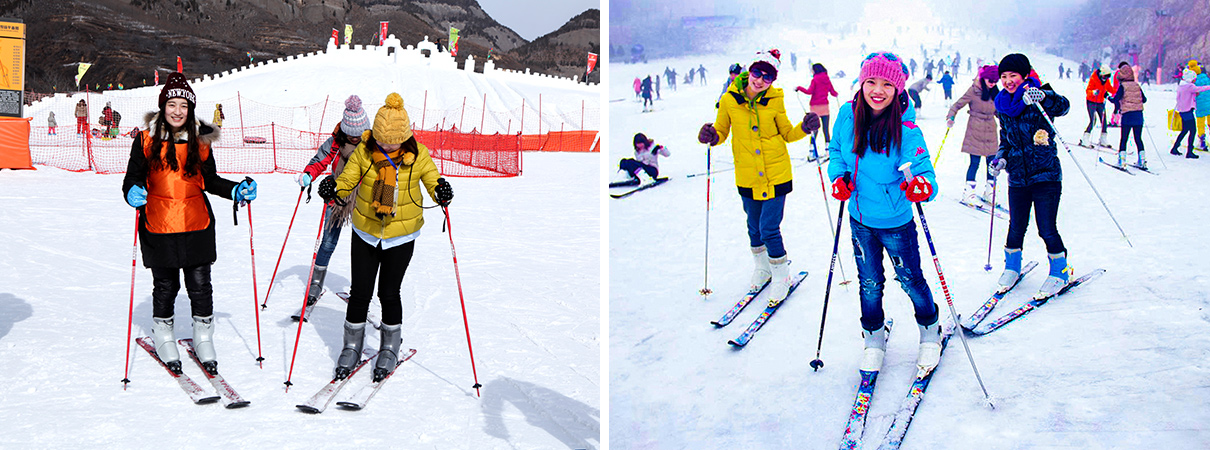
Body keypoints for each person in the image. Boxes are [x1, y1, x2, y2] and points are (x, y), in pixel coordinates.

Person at [121, 72, 258, 375]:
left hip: (197, 223)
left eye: (184, 105)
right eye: (172, 104)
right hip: (159, 223)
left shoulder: (200, 141)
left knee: (200, 286)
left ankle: (204, 336)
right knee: (165, 286)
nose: (178, 111)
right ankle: (164, 334)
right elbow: (131, 177)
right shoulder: (145, 140)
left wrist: (235, 190)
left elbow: (209, 180)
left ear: (191, 109)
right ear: (163, 106)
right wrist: (132, 191)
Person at [321, 92, 453, 381]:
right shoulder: (364, 152)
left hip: (401, 236)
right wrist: (334, 188)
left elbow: (432, 179)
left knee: (389, 293)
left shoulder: (419, 155)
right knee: (360, 292)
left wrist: (440, 190)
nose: (387, 145)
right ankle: (352, 345)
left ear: (404, 137)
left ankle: (390, 347)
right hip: (366, 232)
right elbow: (348, 179)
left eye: (393, 141)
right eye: (382, 140)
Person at [826, 51, 943, 370]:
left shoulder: (907, 130)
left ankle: (931, 330)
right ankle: (873, 336)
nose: (878, 90)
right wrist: (838, 176)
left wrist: (921, 185)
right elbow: (835, 150)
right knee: (869, 282)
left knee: (909, 279)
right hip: (860, 219)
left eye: (887, 84)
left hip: (896, 223)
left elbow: (924, 171)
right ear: (862, 83)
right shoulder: (846, 116)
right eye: (871, 81)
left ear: (898, 90)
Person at [697, 49, 820, 306]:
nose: (760, 80)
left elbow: (787, 133)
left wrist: (804, 128)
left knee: (769, 228)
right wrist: (711, 136)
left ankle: (780, 275)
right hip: (747, 174)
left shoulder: (775, 99)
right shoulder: (729, 99)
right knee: (753, 227)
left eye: (767, 76)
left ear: (772, 80)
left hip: (776, 173)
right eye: (757, 73)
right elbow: (721, 131)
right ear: (748, 71)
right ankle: (763, 268)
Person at [988, 53, 1073, 299]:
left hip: (1045, 175)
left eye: (1013, 75)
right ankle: (1012, 268)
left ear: (1024, 74)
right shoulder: (1002, 103)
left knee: (1046, 228)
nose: (1008, 80)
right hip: (1017, 177)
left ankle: (1060, 271)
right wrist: (1001, 157)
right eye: (1003, 76)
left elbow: (1063, 106)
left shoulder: (1040, 94)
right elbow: (1006, 138)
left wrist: (1044, 97)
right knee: (1016, 227)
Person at [296, 95, 373, 310]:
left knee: (363, 246)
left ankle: (360, 289)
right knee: (328, 241)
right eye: (352, 134)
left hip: (363, 198)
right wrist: (308, 174)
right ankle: (316, 284)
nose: (355, 138)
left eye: (359, 135)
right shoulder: (337, 140)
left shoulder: (371, 144)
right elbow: (321, 159)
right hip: (337, 196)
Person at [946, 65, 1001, 204]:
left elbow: (998, 111)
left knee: (992, 163)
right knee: (974, 163)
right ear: (984, 78)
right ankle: (968, 193)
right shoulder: (973, 91)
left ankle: (990, 192)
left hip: (990, 130)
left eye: (995, 81)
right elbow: (956, 105)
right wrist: (951, 117)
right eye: (990, 80)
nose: (993, 83)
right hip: (975, 129)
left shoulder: (996, 93)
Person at [795, 63, 840, 158]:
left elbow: (809, 91)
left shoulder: (815, 80)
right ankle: (828, 151)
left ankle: (812, 152)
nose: (811, 71)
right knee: (825, 129)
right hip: (824, 106)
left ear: (815, 70)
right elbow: (832, 92)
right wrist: (836, 94)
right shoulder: (827, 79)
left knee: (814, 129)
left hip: (814, 107)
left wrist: (799, 88)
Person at [1109, 65, 1147, 168]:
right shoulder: (1136, 85)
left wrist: (1108, 97)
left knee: (1124, 138)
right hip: (1139, 115)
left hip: (1127, 115)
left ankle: (1122, 161)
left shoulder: (1123, 86)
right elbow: (1144, 99)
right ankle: (1142, 161)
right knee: (1138, 138)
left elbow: (1115, 99)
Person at [1170, 69, 1210, 159]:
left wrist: (1195, 95)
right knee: (1192, 131)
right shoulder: (1189, 86)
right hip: (1188, 111)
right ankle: (1189, 152)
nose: (1195, 80)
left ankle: (1175, 148)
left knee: (1184, 130)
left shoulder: (1181, 86)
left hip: (1182, 111)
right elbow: (1200, 88)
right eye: (1194, 79)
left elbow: (1184, 97)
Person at [1079, 67, 1114, 147]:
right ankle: (1085, 138)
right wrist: (1093, 92)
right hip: (1091, 101)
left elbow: (1109, 88)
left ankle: (1103, 139)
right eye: (1104, 77)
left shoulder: (1106, 81)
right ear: (1101, 74)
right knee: (1093, 120)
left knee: (1104, 120)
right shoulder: (1094, 78)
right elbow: (1088, 91)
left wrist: (1118, 91)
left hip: (1100, 102)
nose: (1105, 79)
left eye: (1107, 77)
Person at [1192, 61, 1210, 151]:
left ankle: (1202, 142)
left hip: (1200, 105)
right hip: (1209, 104)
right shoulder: (1207, 79)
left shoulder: (1194, 81)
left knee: (1201, 124)